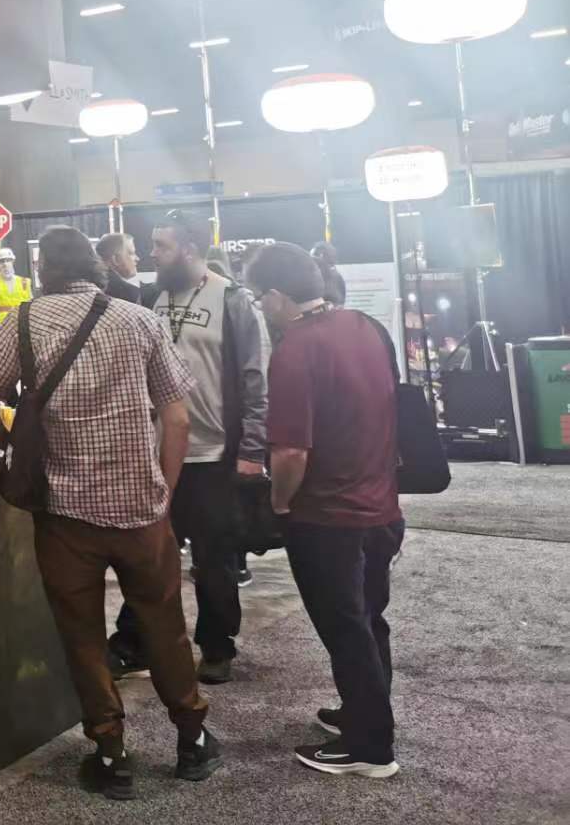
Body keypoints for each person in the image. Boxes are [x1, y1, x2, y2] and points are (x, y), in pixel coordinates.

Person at [0, 227, 217, 799]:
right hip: (140, 509)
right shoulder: (140, 320)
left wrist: (14, 449)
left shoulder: (23, 322)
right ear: (97, 267)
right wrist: (164, 490)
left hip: (64, 513)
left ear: (43, 270)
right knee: (164, 624)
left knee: (81, 633)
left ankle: (111, 752)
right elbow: (178, 418)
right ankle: (191, 738)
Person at [246, 243, 404, 779]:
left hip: (327, 515)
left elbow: (291, 451)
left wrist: (279, 502)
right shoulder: (365, 326)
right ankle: (368, 710)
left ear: (275, 296)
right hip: (382, 504)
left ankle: (370, 746)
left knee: (344, 627)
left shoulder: (295, 348)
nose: (259, 307)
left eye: (258, 297)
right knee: (369, 618)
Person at [109, 211, 268, 685]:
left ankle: (217, 646)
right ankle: (134, 643)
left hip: (213, 454)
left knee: (214, 560)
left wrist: (252, 450)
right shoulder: (149, 298)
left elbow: (256, 381)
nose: (151, 254)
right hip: (155, 453)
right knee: (147, 556)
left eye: (161, 246)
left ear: (190, 249)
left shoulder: (233, 301)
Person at [96, 232, 143, 304]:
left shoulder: (90, 286)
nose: (137, 259)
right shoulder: (131, 294)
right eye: (131, 253)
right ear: (116, 259)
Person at [0, 246, 32, 319]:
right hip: (1, 323)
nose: (5, 264)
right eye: (1, 261)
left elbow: (30, 305)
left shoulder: (25, 282)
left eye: (8, 260)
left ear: (12, 261)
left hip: (21, 321)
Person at [311, 241, 348, 307]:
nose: (310, 259)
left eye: (313, 256)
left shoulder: (334, 278)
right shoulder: (337, 277)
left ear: (321, 256)